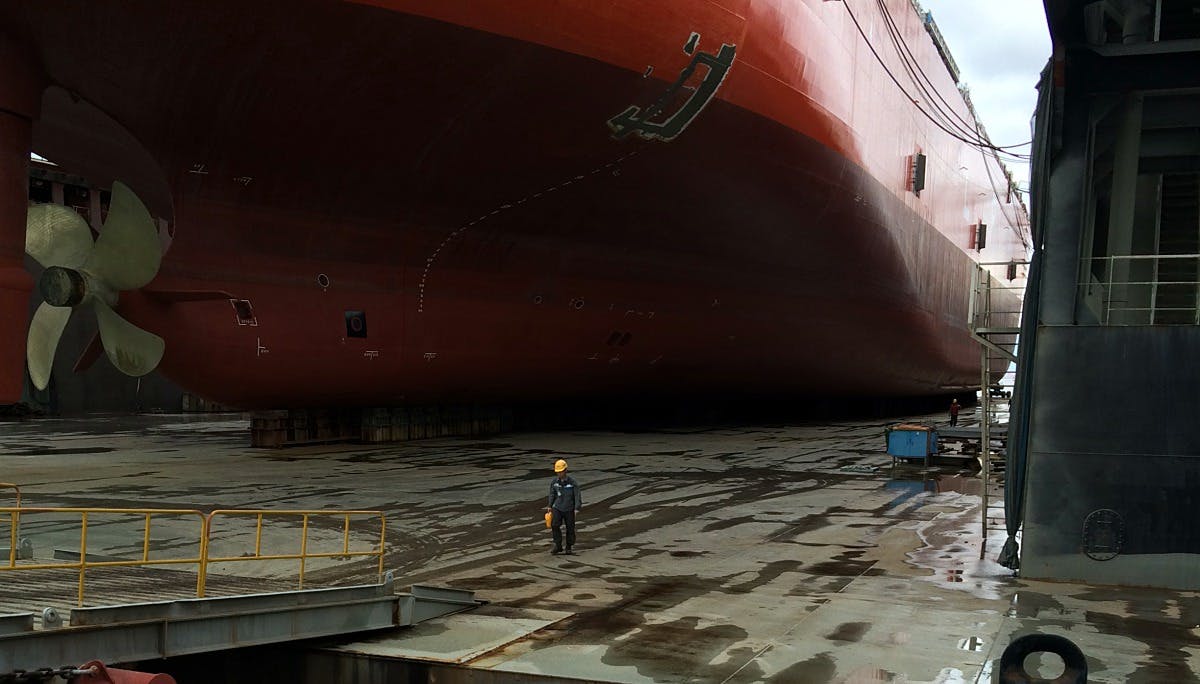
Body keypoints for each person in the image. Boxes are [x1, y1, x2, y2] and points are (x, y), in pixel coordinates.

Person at [546, 458, 581, 555]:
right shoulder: (554, 482)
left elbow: (577, 495)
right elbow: (552, 493)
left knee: (570, 527)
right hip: (557, 507)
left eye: (561, 472)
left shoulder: (572, 483)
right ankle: (558, 545)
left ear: (565, 470)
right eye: (558, 472)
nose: (559, 474)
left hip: (569, 508)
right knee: (554, 525)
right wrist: (549, 505)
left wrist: (577, 508)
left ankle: (569, 546)